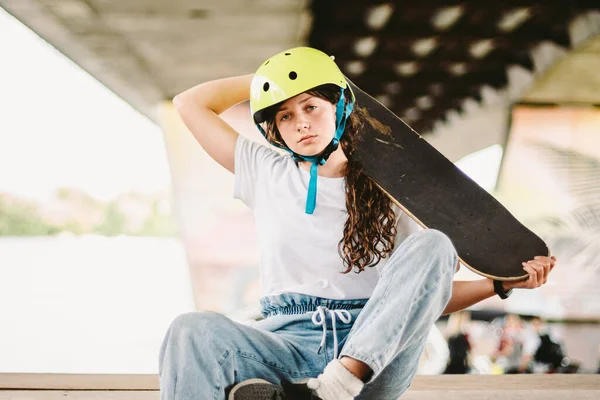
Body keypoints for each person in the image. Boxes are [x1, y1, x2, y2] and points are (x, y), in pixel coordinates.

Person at [159, 47, 557, 400]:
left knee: (434, 245)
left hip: (371, 359)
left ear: (339, 107)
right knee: (190, 331)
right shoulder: (265, 170)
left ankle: (334, 388)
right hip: (286, 345)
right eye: (285, 115)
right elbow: (189, 103)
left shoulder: (395, 187)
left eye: (312, 106)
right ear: (275, 130)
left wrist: (500, 283)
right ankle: (301, 395)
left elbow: (416, 297)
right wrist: (276, 78)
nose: (301, 122)